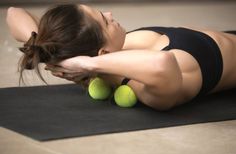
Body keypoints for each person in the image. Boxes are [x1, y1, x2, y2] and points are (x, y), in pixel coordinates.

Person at [6, 4, 236, 111]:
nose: (110, 14)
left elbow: (14, 11)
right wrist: (86, 63)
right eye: (104, 21)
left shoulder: (114, 48)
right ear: (102, 54)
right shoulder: (144, 87)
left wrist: (43, 47)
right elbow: (162, 63)